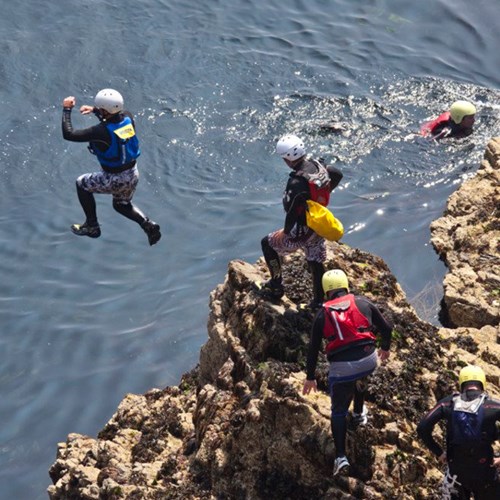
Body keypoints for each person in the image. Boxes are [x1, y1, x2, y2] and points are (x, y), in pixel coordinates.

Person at [302, 269, 392, 476]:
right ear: (346, 285)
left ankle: (341, 457)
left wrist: (310, 377)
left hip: (342, 368)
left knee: (339, 411)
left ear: (326, 292)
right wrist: (385, 348)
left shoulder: (322, 314)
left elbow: (313, 349)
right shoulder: (363, 302)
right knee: (360, 375)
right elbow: (386, 328)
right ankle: (359, 413)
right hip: (369, 360)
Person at [61, 89, 161, 245]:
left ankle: (92, 226)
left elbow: (69, 134)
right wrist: (95, 110)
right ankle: (147, 224)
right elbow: (113, 120)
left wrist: (67, 109)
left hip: (114, 178)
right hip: (132, 174)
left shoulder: (100, 132)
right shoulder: (128, 117)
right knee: (121, 205)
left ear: (104, 111)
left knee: (81, 184)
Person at [257, 134, 343, 309]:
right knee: (315, 260)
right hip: (317, 224)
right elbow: (337, 174)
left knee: (267, 244)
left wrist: (286, 233)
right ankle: (318, 301)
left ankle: (276, 286)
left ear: (287, 158)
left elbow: (292, 211)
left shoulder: (296, 182)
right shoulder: (318, 165)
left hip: (301, 230)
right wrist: (322, 197)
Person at [417, 365, 500, 500]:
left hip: (456, 472)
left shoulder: (448, 403)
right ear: (482, 383)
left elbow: (422, 427)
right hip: (485, 472)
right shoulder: (492, 405)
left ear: (461, 383)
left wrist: (439, 452)